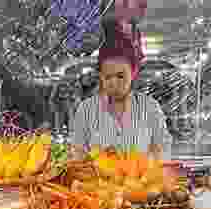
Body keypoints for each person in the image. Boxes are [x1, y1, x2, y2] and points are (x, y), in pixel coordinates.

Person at [69, 28, 173, 159]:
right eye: (108, 77)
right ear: (100, 76)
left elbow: (163, 148)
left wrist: (148, 168)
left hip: (139, 178)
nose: (114, 82)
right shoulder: (86, 110)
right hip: (98, 179)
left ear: (133, 73)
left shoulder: (150, 107)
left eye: (120, 76)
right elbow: (77, 152)